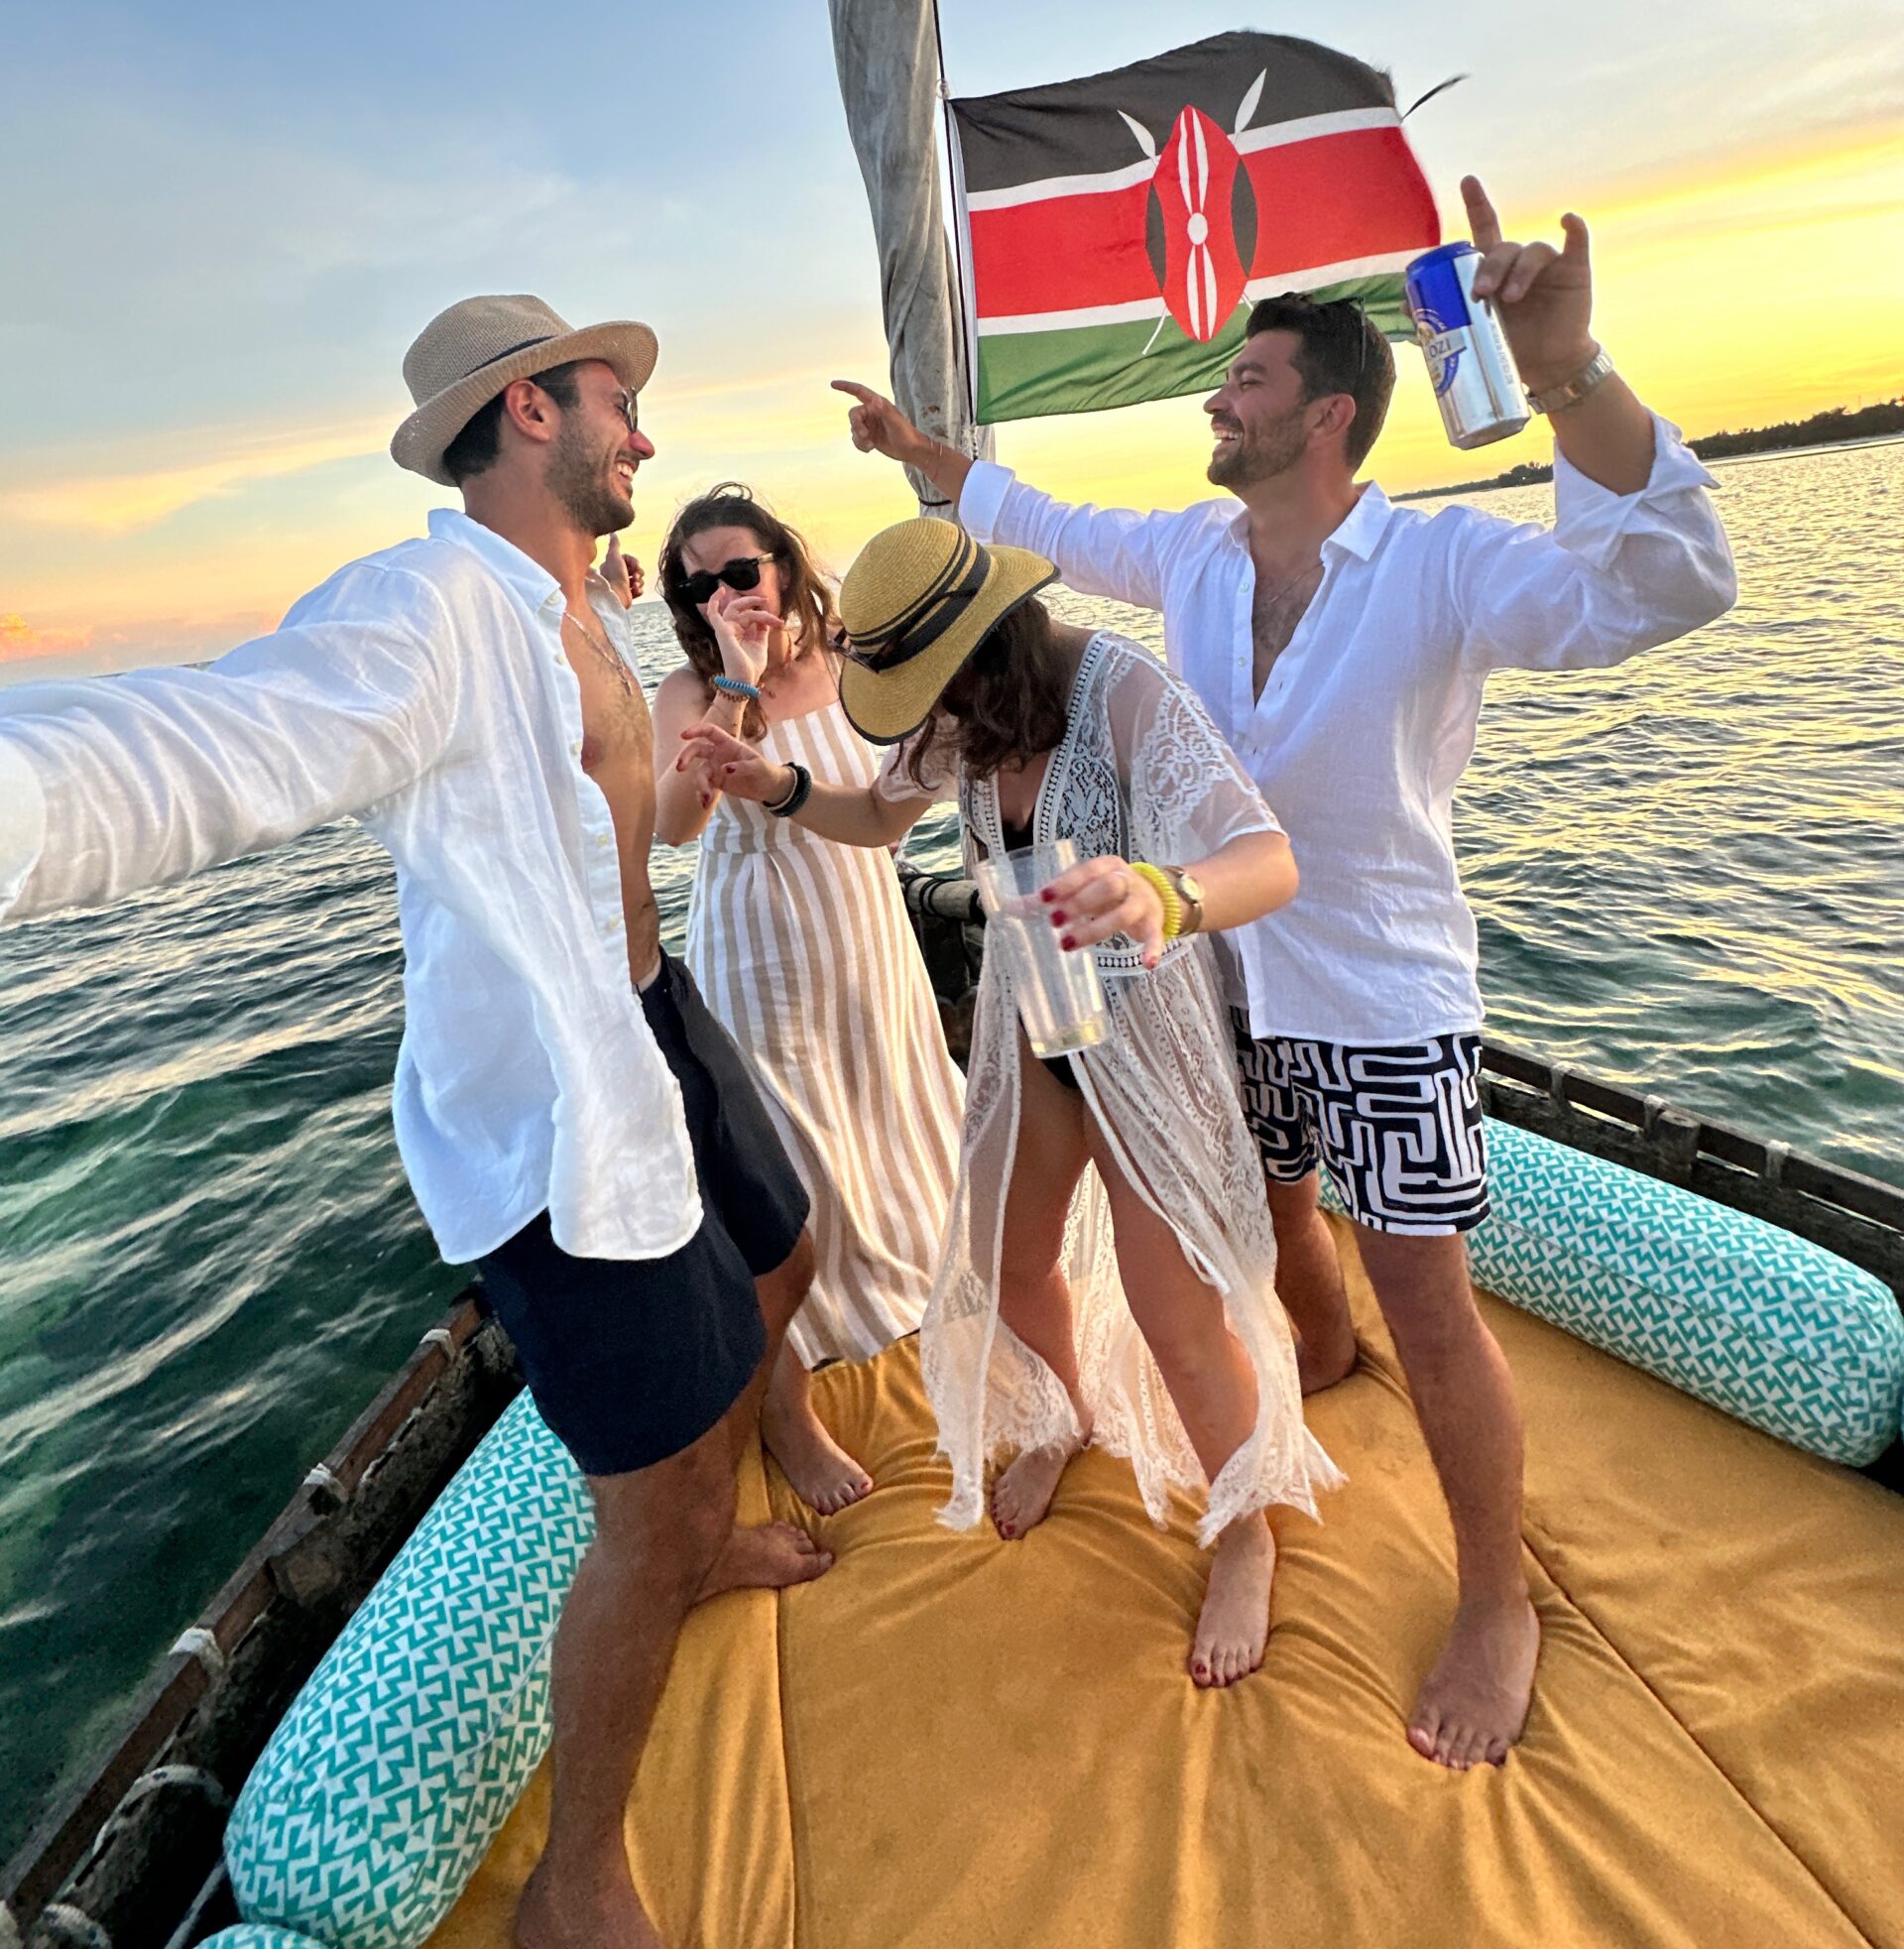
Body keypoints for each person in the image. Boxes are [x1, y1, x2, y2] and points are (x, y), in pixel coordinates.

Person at [832, 175, 1738, 1771]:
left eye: (1243, 377)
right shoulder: (1191, 555)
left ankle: (1493, 1599)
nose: (1214, 393)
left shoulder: (1441, 565)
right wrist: (927, 464)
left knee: (1432, 1309)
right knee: (1269, 1224)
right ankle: (1308, 1378)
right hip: (1208, 991)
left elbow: (1669, 586)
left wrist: (1570, 374)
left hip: (1380, 991)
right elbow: (1039, 525)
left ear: (1327, 416)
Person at [0, 295, 829, 1949]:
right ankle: (578, 1881)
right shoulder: (430, 605)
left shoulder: (576, 601)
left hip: (649, 1010)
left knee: (788, 1249)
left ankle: (715, 1513)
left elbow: (622, 817)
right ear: (529, 410)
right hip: (559, 1113)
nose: (644, 436)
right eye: (618, 403)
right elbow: (210, 748)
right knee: (645, 1508)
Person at [679, 517, 1342, 1689]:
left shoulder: (1120, 687)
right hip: (1035, 1019)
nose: (934, 721)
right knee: (1009, 1250)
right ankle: (1065, 1417)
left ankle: (1245, 1531)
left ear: (996, 640)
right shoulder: (957, 716)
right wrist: (776, 785)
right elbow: (878, 820)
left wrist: (1164, 890)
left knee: (1170, 1306)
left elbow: (1269, 855)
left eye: (940, 688)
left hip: (1141, 1031)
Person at [650, 483, 964, 1516]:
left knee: (891, 1107)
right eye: (701, 585)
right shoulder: (684, 695)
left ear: (782, 563)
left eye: (742, 570)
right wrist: (736, 681)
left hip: (865, 930)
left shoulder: (852, 660)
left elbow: (898, 796)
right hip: (760, 944)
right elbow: (674, 827)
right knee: (783, 1158)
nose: (727, 594)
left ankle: (909, 1295)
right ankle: (786, 1409)